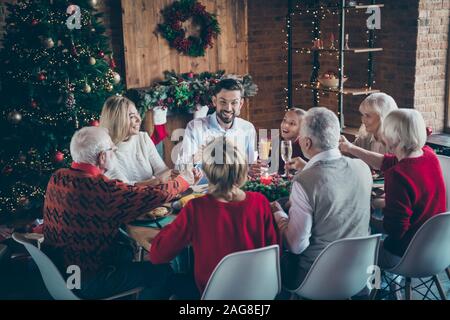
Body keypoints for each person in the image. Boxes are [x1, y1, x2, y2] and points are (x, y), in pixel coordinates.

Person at [42, 126, 185, 299]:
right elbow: (151, 196)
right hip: (86, 281)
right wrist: (183, 181)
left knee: (126, 248)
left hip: (59, 272)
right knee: (163, 271)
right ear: (102, 157)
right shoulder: (101, 189)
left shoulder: (58, 176)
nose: (115, 150)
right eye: (112, 148)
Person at [149, 137, 281, 297]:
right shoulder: (260, 202)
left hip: (214, 294)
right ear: (241, 169)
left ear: (208, 171)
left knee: (166, 278)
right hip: (259, 292)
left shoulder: (196, 209)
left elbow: (158, 255)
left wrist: (171, 226)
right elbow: (276, 252)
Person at [271, 107, 372, 289]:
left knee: (271, 267)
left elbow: (296, 245)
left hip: (317, 277)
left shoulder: (305, 181)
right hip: (361, 273)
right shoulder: (362, 167)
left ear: (307, 143)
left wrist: (279, 214)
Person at [339, 109, 446, 268]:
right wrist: (350, 148)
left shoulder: (398, 175)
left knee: (347, 251)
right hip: (438, 251)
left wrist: (366, 217)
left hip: (405, 255)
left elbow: (394, 231)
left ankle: (369, 288)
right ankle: (393, 287)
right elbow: (385, 162)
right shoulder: (428, 155)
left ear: (394, 136)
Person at [99, 95, 198, 189]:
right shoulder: (105, 152)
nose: (139, 119)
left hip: (154, 198)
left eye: (137, 113)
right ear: (117, 120)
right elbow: (123, 187)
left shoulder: (143, 138)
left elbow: (162, 171)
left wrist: (180, 177)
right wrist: (157, 181)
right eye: (132, 116)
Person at [175, 78, 261, 176]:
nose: (228, 108)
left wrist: (253, 169)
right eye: (223, 102)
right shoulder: (195, 127)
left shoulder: (248, 128)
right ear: (214, 101)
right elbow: (180, 168)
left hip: (237, 187)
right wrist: (194, 160)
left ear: (240, 104)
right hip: (203, 189)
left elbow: (251, 166)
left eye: (234, 102)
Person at [277, 108, 308, 175]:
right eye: (284, 120)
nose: (285, 125)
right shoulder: (274, 144)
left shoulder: (306, 149)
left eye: (292, 123)